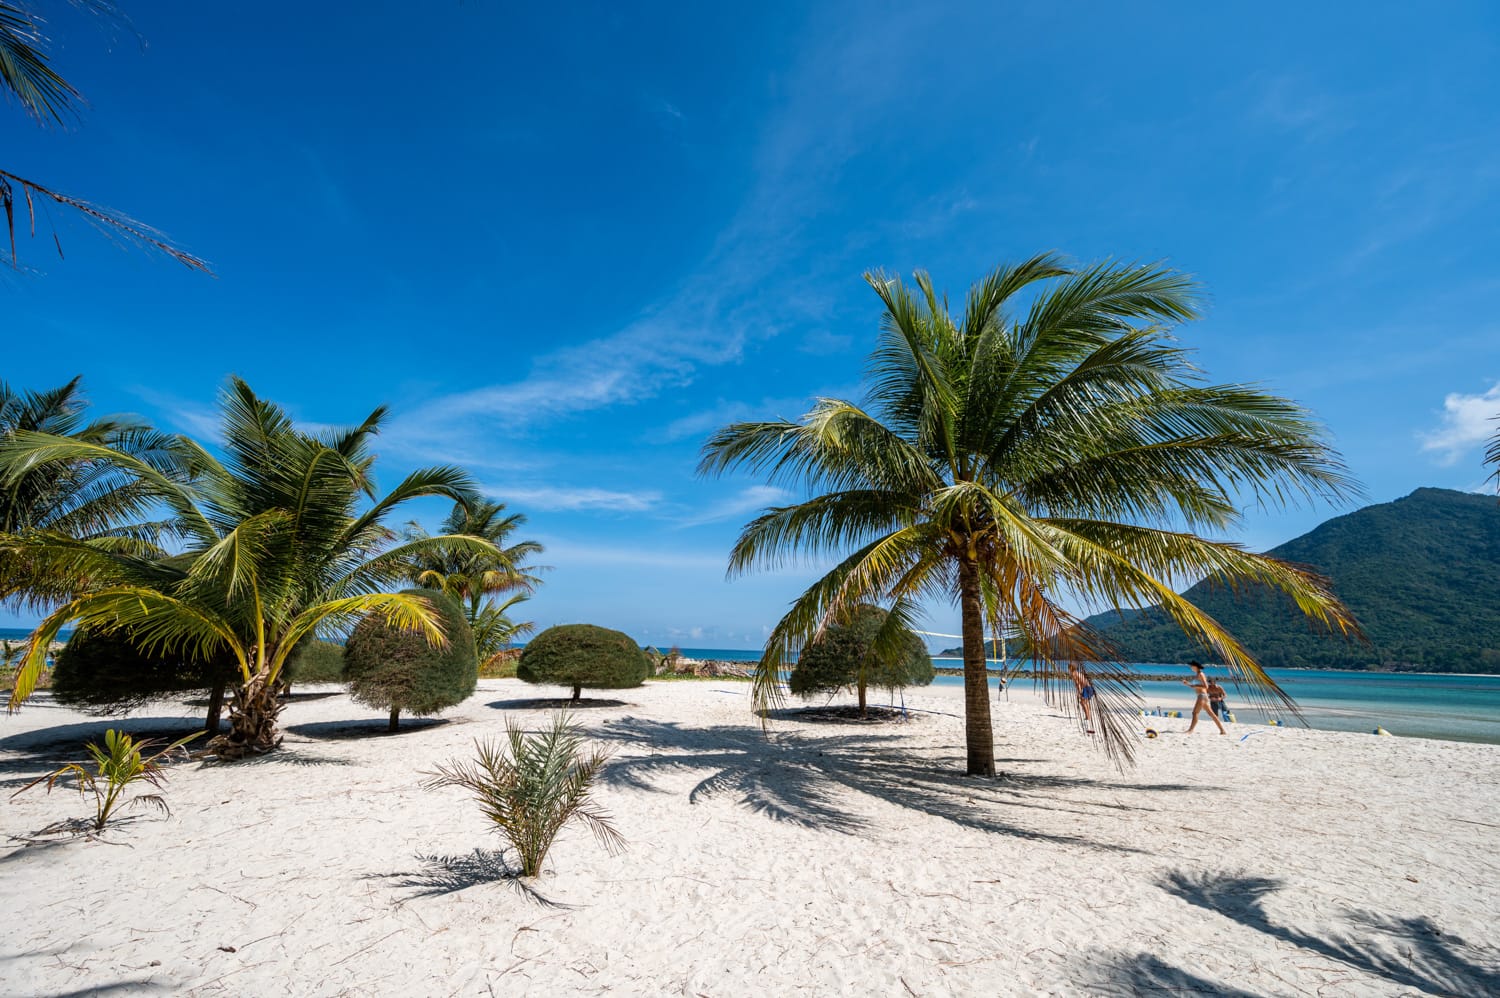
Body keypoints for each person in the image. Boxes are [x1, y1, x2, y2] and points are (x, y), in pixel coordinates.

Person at [1182, 661, 1226, 734]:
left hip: (1202, 695)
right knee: (1212, 714)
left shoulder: (1201, 674)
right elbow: (1195, 686)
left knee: (1195, 713)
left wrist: (1194, 686)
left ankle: (1190, 730)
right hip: (1202, 696)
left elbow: (1206, 686)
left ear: (1196, 666)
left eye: (1191, 666)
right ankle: (1222, 730)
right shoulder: (1197, 675)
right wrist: (1188, 684)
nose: (1191, 667)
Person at [1069, 662, 1096, 733]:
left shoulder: (1074, 674)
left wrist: (1079, 692)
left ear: (1071, 668)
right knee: (1085, 702)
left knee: (1083, 702)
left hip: (1086, 688)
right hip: (1089, 687)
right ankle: (1088, 716)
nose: (1068, 669)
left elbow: (1077, 683)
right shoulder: (1077, 672)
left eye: (1069, 667)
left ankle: (1088, 716)